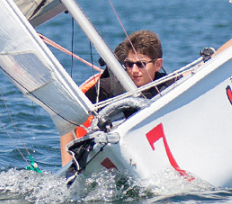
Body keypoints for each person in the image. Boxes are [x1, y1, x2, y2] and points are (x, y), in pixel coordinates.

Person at [60, 30, 172, 164]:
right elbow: (68, 113)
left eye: (141, 64)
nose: (134, 70)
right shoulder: (109, 86)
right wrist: (68, 165)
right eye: (129, 64)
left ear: (158, 65)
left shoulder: (168, 85)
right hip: (116, 154)